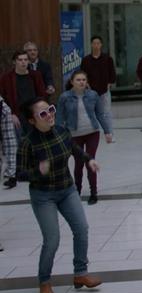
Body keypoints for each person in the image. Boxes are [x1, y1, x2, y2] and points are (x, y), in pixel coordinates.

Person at [17, 97, 103, 293]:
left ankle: (80, 274)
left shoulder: (62, 131)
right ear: (32, 120)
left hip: (66, 190)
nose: (50, 115)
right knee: (52, 239)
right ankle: (44, 280)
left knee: (81, 229)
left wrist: (89, 160)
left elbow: (73, 149)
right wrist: (38, 171)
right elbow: (19, 174)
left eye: (51, 110)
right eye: (43, 114)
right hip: (43, 195)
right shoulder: (28, 143)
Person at [56, 71, 113, 204]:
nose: (81, 82)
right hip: (74, 135)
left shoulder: (93, 95)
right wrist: (58, 136)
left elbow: (100, 114)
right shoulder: (65, 97)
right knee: (78, 163)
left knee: (90, 161)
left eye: (83, 80)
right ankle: (77, 191)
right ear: (72, 82)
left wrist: (107, 131)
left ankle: (93, 192)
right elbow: (59, 117)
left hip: (92, 132)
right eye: (78, 80)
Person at [79, 36, 117, 128]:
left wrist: (109, 84)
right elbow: (82, 74)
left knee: (106, 112)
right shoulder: (86, 60)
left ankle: (109, 132)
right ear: (91, 45)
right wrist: (86, 84)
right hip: (90, 90)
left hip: (104, 90)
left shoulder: (107, 58)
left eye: (98, 43)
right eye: (94, 43)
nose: (96, 45)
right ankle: (94, 131)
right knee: (91, 112)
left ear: (101, 45)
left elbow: (112, 72)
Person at [0, 95, 18, 203]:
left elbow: (10, 143)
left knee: (10, 143)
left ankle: (11, 175)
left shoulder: (3, 108)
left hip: (3, 111)